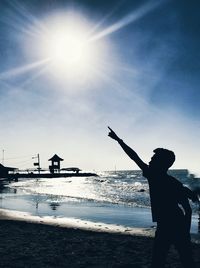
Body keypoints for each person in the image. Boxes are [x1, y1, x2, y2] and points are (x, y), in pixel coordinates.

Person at [108, 126, 196, 268]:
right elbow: (187, 209)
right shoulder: (171, 181)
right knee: (176, 260)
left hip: (172, 225)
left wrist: (119, 140)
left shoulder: (155, 176)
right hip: (170, 224)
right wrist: (185, 230)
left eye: (153, 159)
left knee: (167, 260)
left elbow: (134, 157)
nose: (149, 161)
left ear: (161, 164)